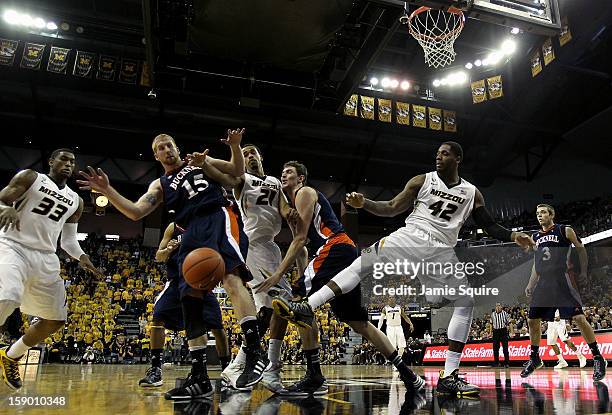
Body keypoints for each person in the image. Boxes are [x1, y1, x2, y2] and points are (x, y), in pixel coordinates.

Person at [272, 142, 534, 396]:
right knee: (361, 264)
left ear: (458, 159)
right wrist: (366, 204)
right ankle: (309, 305)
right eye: (437, 154)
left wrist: (512, 236)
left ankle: (449, 376)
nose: (438, 157)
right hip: (412, 235)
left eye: (444, 154)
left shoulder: (472, 192)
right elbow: (391, 208)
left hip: (442, 249)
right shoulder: (422, 180)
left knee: (466, 301)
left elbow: (488, 225)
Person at [77, 130, 269, 399]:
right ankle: (200, 374)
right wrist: (107, 190)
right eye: (161, 147)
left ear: (177, 148)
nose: (167, 149)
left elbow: (237, 171)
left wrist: (235, 147)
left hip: (217, 214)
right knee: (190, 298)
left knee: (231, 278)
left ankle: (255, 352)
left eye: (170, 145)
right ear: (156, 155)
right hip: (190, 229)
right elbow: (135, 212)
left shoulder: (198, 161)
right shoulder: (159, 184)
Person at [257, 161, 425, 396]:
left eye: (289, 173)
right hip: (342, 252)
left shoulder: (304, 193)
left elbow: (300, 240)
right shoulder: (293, 206)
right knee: (359, 323)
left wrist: (278, 274)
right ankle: (409, 374)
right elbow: (303, 249)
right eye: (282, 172)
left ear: (301, 178)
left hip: (334, 247)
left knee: (298, 302)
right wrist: (305, 277)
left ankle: (314, 376)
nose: (283, 175)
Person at [0, 148, 102, 390]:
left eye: (72, 161)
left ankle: (11, 355)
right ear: (51, 161)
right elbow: (2, 198)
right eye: (63, 159)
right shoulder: (30, 177)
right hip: (13, 246)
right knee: (8, 297)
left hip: (46, 257)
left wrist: (82, 257)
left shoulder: (75, 200)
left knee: (55, 319)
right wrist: (5, 208)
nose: (68, 164)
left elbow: (67, 240)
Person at [213, 144, 298, 392]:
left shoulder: (273, 180)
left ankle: (238, 365)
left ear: (261, 157)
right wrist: (207, 162)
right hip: (253, 244)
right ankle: (270, 367)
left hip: (270, 247)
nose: (250, 156)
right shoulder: (243, 178)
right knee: (281, 304)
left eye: (253, 153)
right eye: (246, 153)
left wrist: (289, 212)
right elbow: (224, 175)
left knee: (269, 311)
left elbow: (281, 205)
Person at [138, 222, 230, 388]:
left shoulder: (209, 225)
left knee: (217, 326)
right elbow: (159, 256)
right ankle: (156, 370)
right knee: (157, 318)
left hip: (201, 283)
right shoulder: (173, 227)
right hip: (176, 282)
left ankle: (227, 370)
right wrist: (168, 251)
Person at [522, 204, 606, 380]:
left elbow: (581, 249)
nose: (540, 216)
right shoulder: (535, 236)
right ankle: (535, 357)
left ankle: (597, 357)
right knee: (532, 320)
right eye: (537, 213)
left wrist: (583, 271)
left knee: (579, 318)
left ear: (551, 215)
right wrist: (531, 283)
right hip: (544, 283)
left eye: (543, 213)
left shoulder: (564, 230)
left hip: (562, 279)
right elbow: (536, 264)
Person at [491, 303, 510, 367]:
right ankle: (496, 362)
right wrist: (490, 332)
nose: (498, 307)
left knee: (505, 348)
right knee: (495, 348)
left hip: (503, 331)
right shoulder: (493, 314)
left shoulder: (505, 313)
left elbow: (509, 323)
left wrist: (511, 332)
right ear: (495, 307)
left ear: (501, 307)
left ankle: (506, 363)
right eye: (497, 306)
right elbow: (491, 324)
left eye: (499, 305)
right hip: (496, 332)